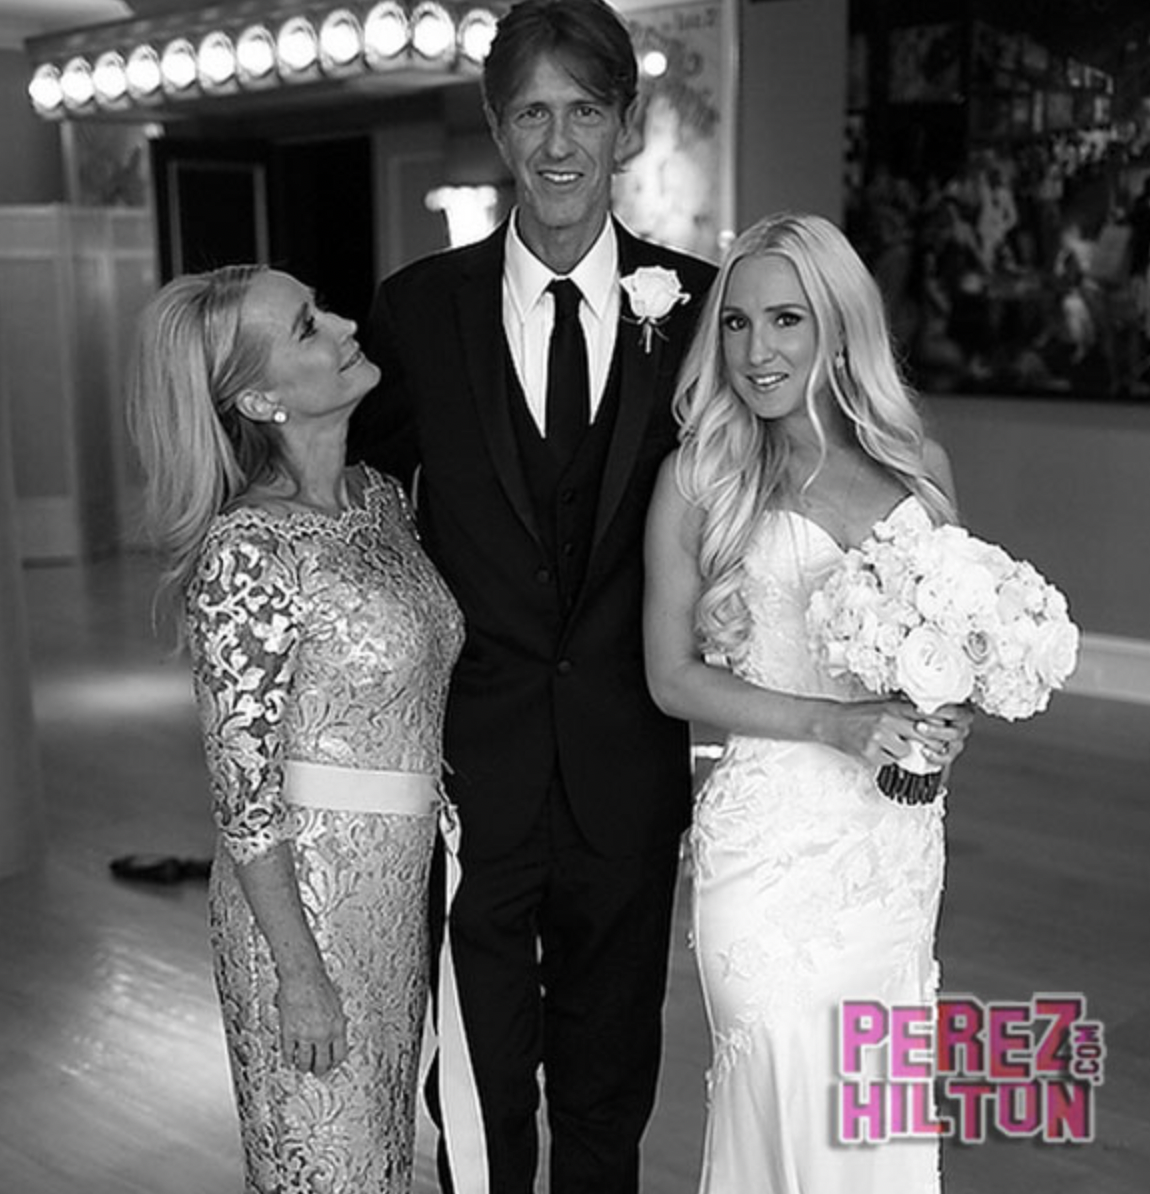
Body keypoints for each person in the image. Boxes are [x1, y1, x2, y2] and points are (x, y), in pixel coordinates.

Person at [347, 2, 717, 1190]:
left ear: (627, 127)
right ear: (501, 132)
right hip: (469, 785)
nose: (559, 143)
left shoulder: (701, 307)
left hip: (627, 773)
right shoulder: (416, 311)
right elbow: (355, 509)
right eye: (531, 114)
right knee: (477, 1093)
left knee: (609, 1094)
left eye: (585, 112)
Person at [643, 212, 973, 1192]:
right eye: (735, 325)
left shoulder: (920, 471)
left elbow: (952, 650)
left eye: (784, 319)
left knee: (872, 1111)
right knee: (782, 1083)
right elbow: (670, 678)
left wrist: (953, 715)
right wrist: (830, 724)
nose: (756, 350)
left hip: (891, 849)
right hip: (768, 846)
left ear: (837, 326)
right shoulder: (700, 479)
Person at [126, 265, 466, 1193]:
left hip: (395, 903)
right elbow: (243, 798)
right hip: (303, 918)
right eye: (311, 325)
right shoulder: (248, 551)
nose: (349, 323)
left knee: (381, 1165)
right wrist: (299, 973)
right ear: (259, 396)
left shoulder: (383, 502)